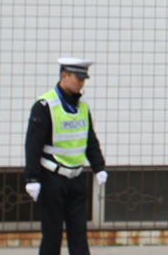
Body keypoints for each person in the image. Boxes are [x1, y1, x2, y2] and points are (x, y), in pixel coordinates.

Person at [24, 58, 108, 255]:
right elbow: (33, 145)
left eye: (83, 79)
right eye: (78, 79)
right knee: (52, 234)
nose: (81, 83)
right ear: (64, 76)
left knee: (79, 233)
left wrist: (99, 167)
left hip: (76, 178)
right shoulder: (45, 105)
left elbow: (90, 139)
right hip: (52, 177)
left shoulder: (82, 107)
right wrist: (32, 178)